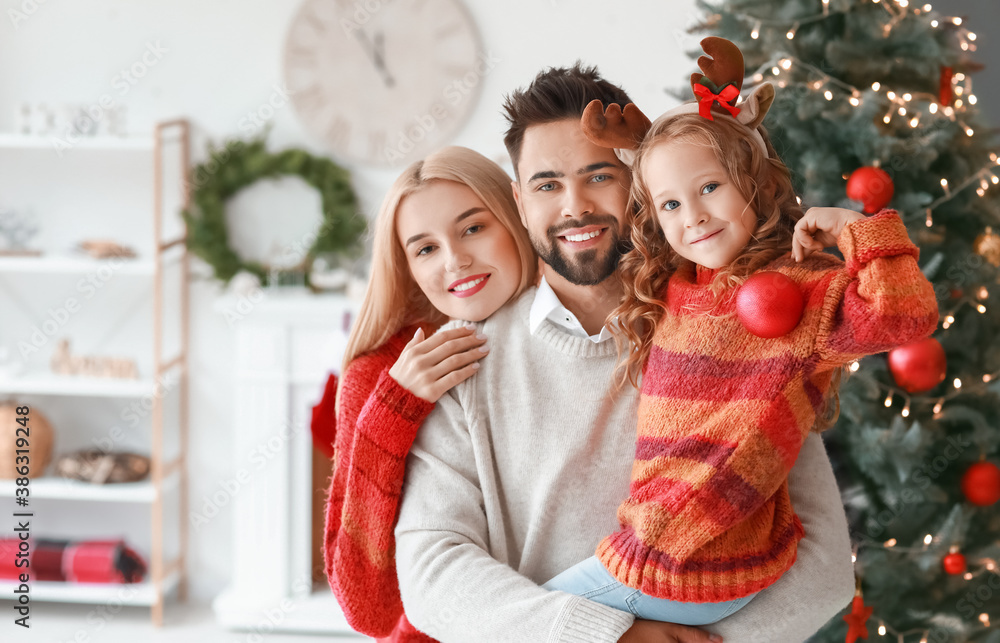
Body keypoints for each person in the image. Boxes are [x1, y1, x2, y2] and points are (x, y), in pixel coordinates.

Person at [394, 62, 860, 643]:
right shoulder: (464, 361)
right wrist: (608, 636)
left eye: (597, 176)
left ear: (638, 182)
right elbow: (431, 569)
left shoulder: (735, 327)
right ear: (518, 199)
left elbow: (825, 565)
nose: (574, 206)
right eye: (547, 185)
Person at [539, 39, 940, 625]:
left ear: (752, 179)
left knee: (533, 624)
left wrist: (857, 230)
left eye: (709, 188)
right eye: (670, 204)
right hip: (664, 551)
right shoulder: (677, 289)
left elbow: (906, 315)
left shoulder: (796, 289)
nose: (693, 216)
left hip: (697, 558)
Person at [322, 146, 538, 641]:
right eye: (425, 249)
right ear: (408, 268)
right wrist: (391, 412)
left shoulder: (580, 322)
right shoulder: (379, 373)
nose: (455, 260)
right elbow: (368, 610)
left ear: (517, 217)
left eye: (473, 228)